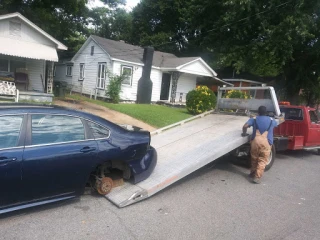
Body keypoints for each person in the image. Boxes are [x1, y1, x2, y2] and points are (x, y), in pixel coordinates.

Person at [241, 106, 277, 184]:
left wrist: (244, 133)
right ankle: (257, 177)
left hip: (255, 141)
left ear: (258, 112)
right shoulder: (272, 120)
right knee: (262, 160)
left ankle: (252, 173)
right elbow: (276, 124)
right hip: (267, 142)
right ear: (266, 112)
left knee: (254, 158)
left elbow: (245, 126)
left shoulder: (254, 119)